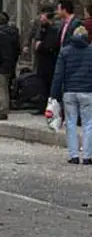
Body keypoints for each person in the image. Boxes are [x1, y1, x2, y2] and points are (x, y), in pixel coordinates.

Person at [50, 26, 92, 165]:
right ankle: (87, 156)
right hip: (87, 91)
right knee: (88, 123)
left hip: (69, 91)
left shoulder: (65, 51)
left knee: (71, 123)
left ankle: (73, 155)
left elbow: (58, 75)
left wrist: (53, 95)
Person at [34, 5, 59, 114]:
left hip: (48, 63)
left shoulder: (52, 30)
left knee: (47, 85)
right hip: (43, 62)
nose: (40, 18)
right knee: (42, 85)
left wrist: (40, 46)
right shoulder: (42, 29)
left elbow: (50, 46)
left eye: (42, 17)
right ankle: (42, 106)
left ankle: (48, 108)